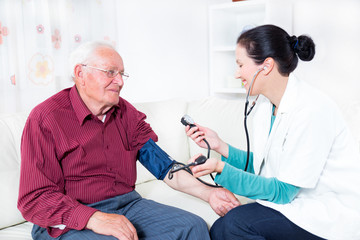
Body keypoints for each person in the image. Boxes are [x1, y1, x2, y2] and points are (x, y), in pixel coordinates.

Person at [17, 41, 240, 240]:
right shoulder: (46, 118)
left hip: (127, 204)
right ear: (80, 73)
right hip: (68, 218)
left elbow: (162, 166)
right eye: (110, 72)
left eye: (122, 74)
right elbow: (34, 198)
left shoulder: (126, 113)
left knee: (192, 227)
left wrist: (209, 193)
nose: (120, 81)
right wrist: (94, 218)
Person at [186, 24, 360, 240]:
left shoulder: (311, 110)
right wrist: (220, 145)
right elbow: (264, 165)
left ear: (266, 66)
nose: (236, 73)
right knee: (222, 227)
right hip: (295, 204)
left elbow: (283, 192)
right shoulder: (265, 106)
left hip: (327, 212)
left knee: (232, 226)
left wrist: (221, 168)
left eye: (240, 65)